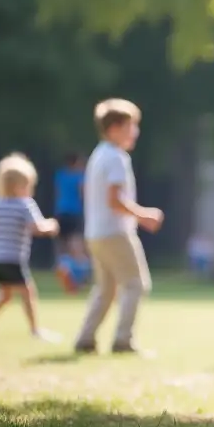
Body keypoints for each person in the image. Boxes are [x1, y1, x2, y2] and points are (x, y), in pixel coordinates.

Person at [73, 99, 163, 355]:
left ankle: (85, 338)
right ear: (114, 128)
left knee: (106, 289)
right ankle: (123, 340)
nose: (135, 132)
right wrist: (144, 215)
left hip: (96, 233)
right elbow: (115, 200)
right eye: (130, 126)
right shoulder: (115, 158)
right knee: (136, 284)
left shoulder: (99, 154)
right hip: (115, 232)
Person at [0, 153, 60, 338]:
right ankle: (35, 330)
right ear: (19, 185)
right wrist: (51, 225)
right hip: (13, 257)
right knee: (28, 292)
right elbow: (36, 228)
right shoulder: (25, 204)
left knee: (5, 294)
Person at [53, 152, 85, 258]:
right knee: (75, 240)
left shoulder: (60, 175)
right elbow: (82, 194)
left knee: (61, 241)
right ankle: (78, 265)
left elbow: (58, 192)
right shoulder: (79, 177)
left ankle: (61, 265)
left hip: (61, 210)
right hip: (74, 211)